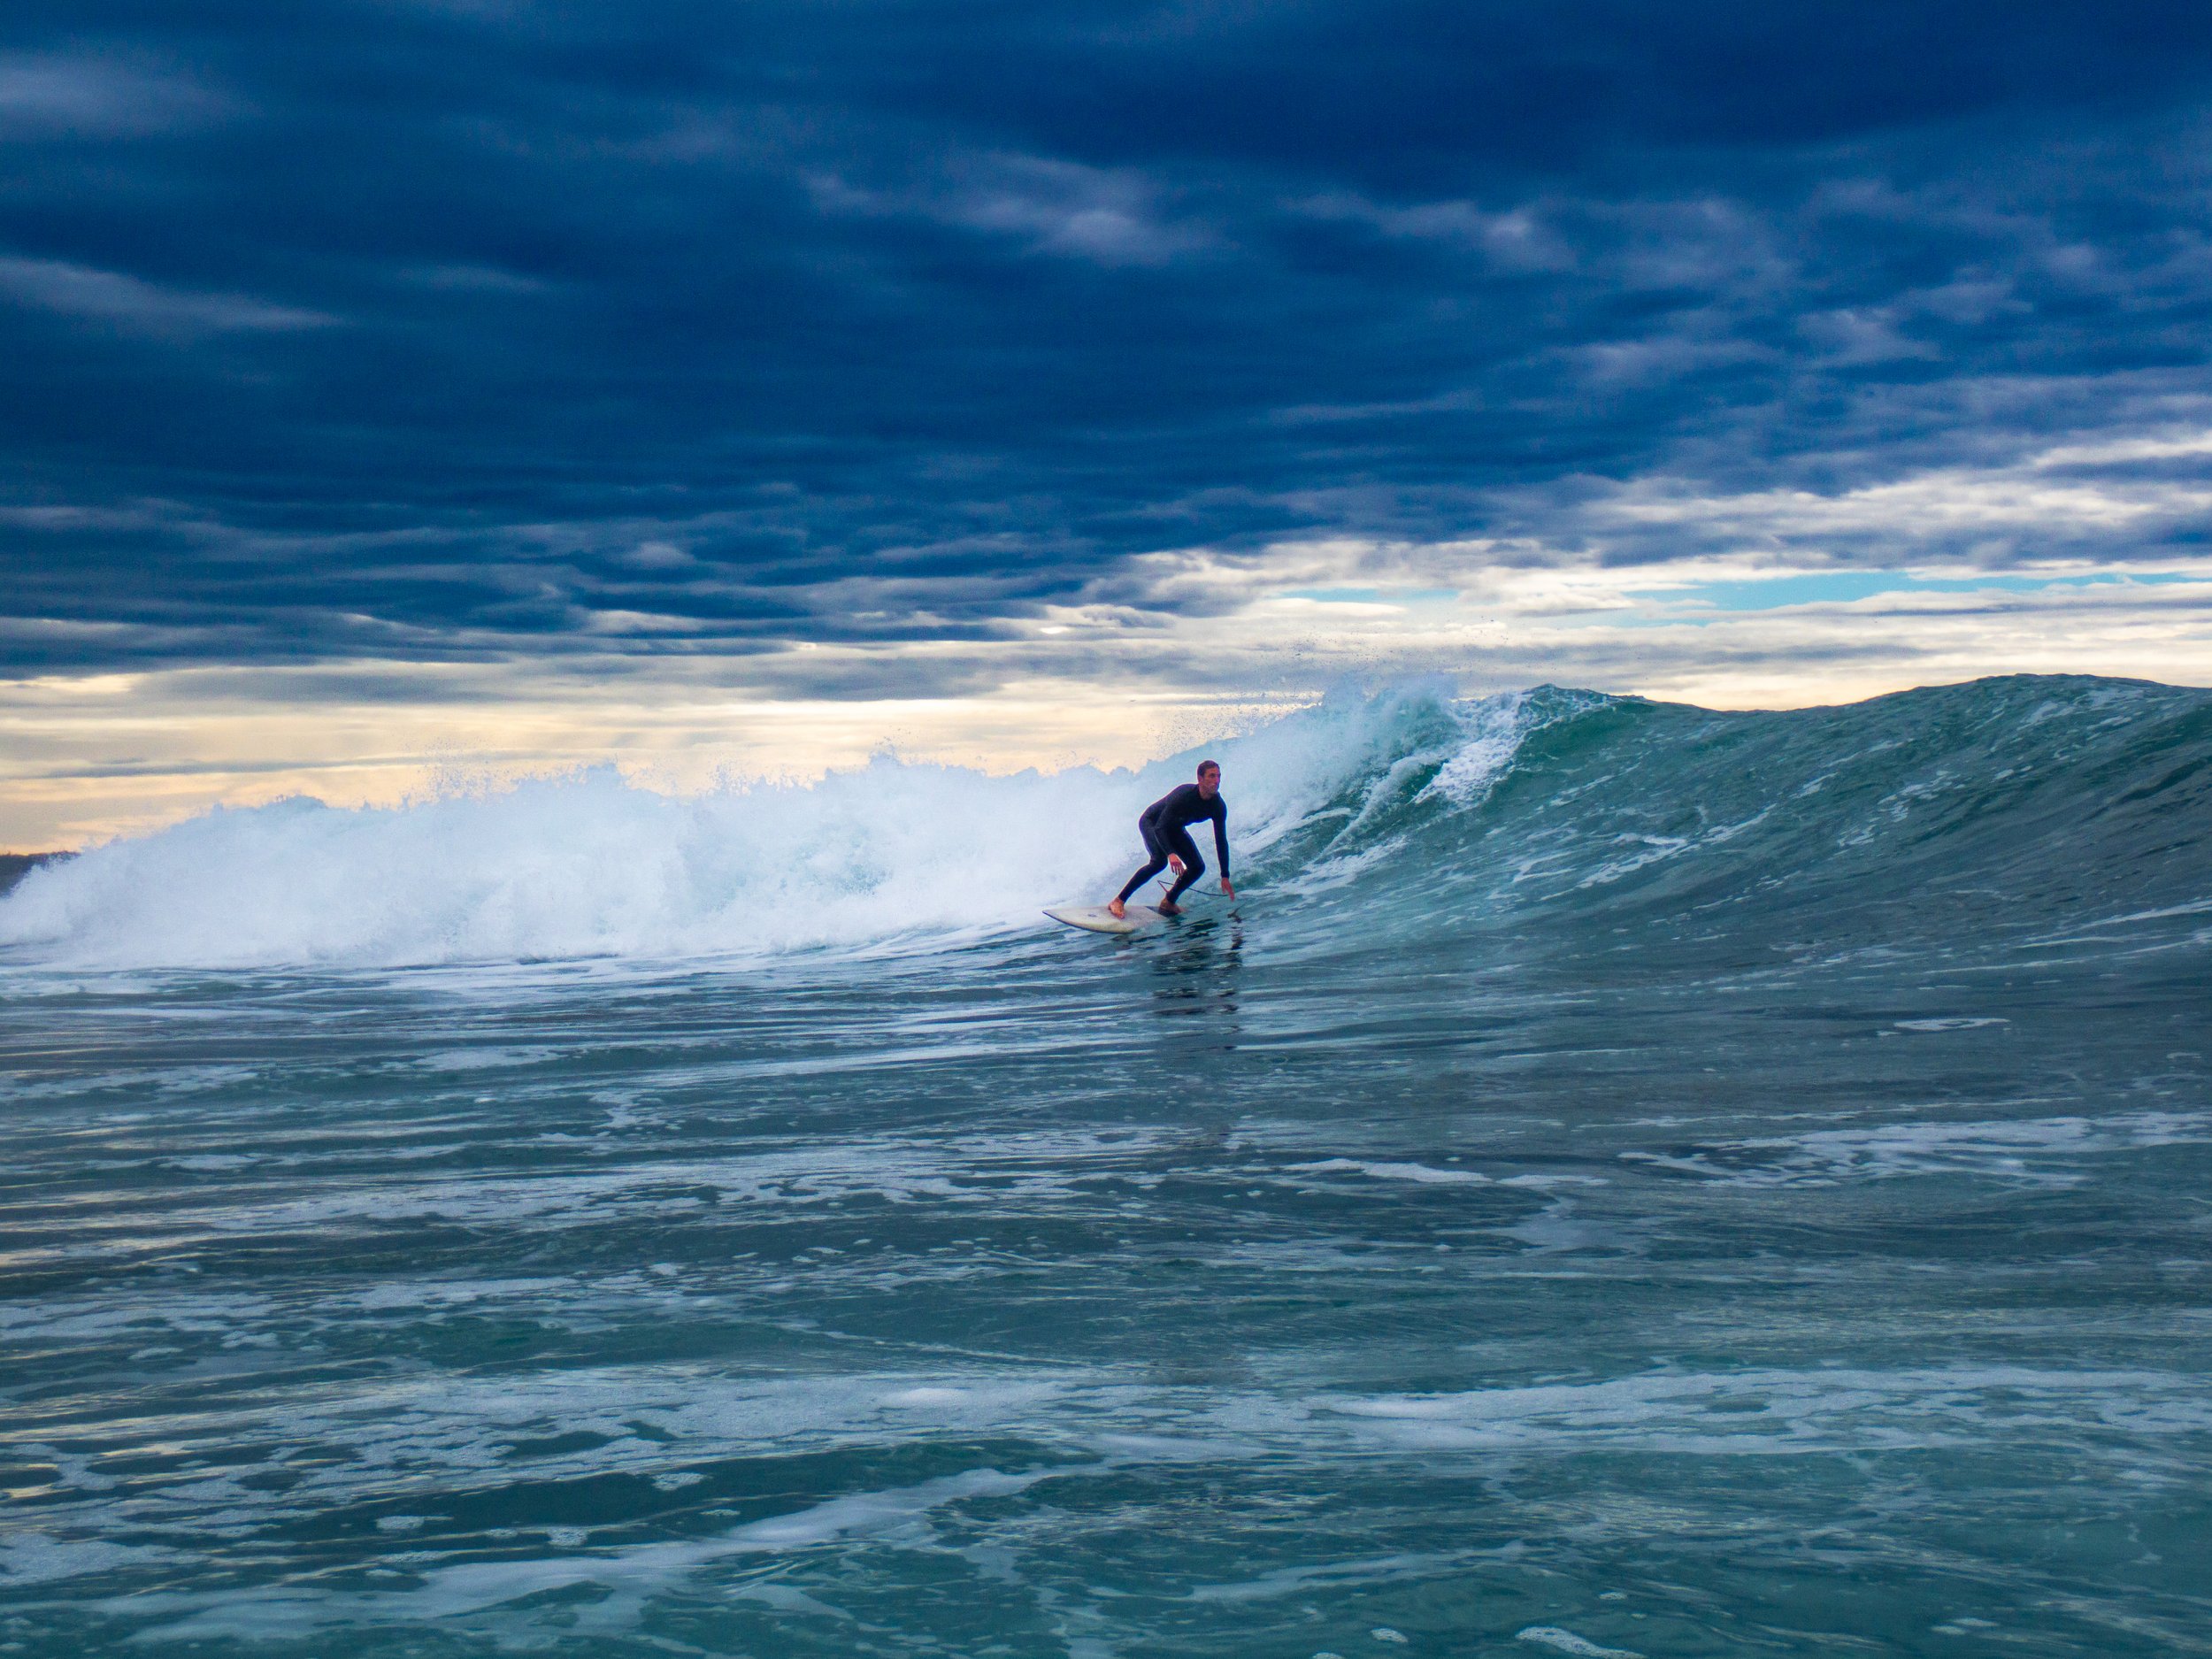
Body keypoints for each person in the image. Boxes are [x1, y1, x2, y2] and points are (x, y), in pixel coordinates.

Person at [1109, 760, 1235, 919]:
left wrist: (1225, 875)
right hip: (1153, 822)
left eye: (1218, 776)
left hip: (1174, 828)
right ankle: (1119, 900)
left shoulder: (1218, 806)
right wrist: (1171, 853)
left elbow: (1221, 840)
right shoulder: (1184, 796)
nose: (1216, 781)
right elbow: (1160, 828)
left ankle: (1169, 901)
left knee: (1197, 867)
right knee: (1159, 862)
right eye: (1211, 776)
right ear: (1200, 778)